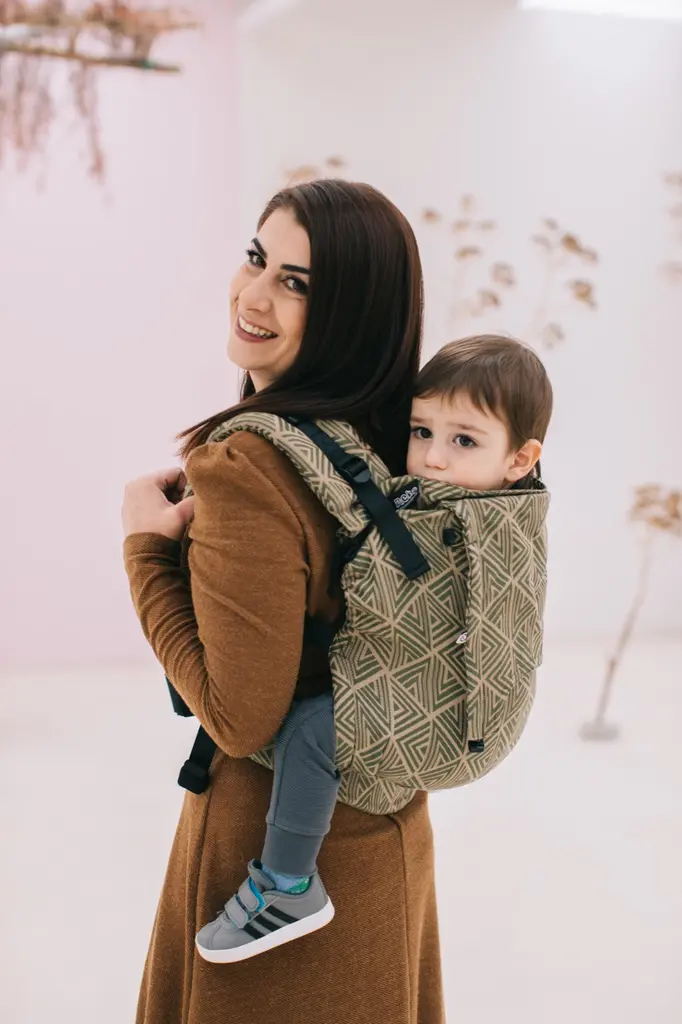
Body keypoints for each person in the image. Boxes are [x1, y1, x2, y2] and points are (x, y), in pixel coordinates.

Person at [121, 179, 445, 1024]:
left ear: (350, 316)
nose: (253, 293)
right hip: (384, 835)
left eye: (296, 283)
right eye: (257, 258)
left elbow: (239, 716)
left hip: (271, 878)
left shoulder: (248, 466)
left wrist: (146, 550)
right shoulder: (400, 445)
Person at [192, 332, 553, 965]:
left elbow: (368, 529)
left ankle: (288, 885)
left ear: (521, 458)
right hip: (468, 715)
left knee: (309, 733)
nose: (433, 457)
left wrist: (271, 433)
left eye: (464, 441)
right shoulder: (479, 497)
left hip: (461, 722)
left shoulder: (470, 520)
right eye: (422, 432)